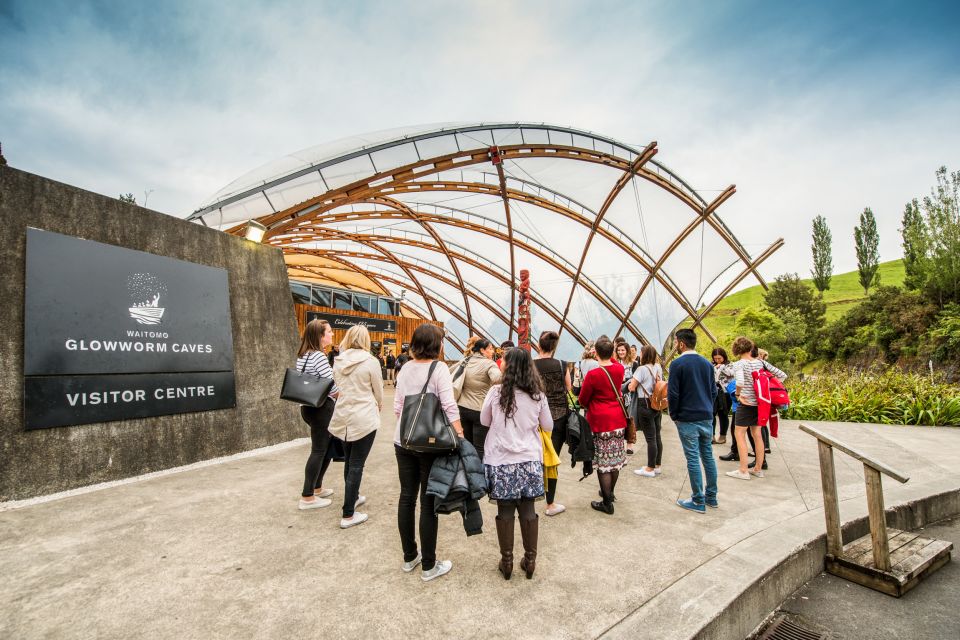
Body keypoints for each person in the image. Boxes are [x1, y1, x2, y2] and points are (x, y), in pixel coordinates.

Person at [393, 324, 464, 582]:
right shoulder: (439, 368)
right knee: (428, 502)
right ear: (436, 344)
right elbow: (449, 405)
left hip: (403, 441)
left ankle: (410, 557)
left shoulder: (405, 368)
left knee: (406, 498)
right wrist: (460, 435)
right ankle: (429, 565)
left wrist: (409, 429)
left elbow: (398, 407)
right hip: (429, 444)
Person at [482, 347, 553, 579]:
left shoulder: (495, 393)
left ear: (507, 366)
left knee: (505, 510)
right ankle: (530, 561)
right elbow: (549, 426)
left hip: (501, 460)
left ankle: (507, 562)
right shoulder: (538, 396)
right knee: (528, 509)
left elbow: (484, 420)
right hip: (529, 460)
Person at [328, 325, 383, 529]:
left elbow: (337, 386)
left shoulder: (338, 360)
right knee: (357, 464)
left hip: (343, 416)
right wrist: (379, 403)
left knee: (349, 461)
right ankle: (348, 514)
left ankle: (354, 496)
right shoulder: (371, 362)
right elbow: (378, 390)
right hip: (364, 417)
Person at [667, 328, 718, 513]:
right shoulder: (707, 364)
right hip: (706, 416)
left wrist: (673, 414)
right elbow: (714, 391)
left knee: (693, 459)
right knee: (708, 456)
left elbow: (672, 393)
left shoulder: (677, 364)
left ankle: (697, 500)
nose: (674, 346)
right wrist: (707, 407)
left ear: (681, 343)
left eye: (675, 342)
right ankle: (711, 496)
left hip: (687, 418)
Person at [577, 335, 626, 515]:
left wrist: (598, 353)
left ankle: (606, 502)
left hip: (599, 421)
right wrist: (604, 353)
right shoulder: (619, 369)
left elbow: (582, 400)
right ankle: (610, 493)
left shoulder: (593, 375)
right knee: (614, 459)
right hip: (617, 419)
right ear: (612, 352)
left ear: (595, 352)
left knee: (603, 464)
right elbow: (612, 361)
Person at [725, 337, 786, 481]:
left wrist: (739, 394)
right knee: (757, 434)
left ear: (736, 350)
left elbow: (739, 381)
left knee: (739, 434)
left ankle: (743, 470)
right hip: (761, 403)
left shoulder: (739, 364)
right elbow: (782, 375)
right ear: (750, 348)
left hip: (746, 404)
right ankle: (758, 468)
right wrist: (766, 388)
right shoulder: (761, 362)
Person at [296, 319, 340, 510]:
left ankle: (317, 487)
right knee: (319, 450)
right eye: (329, 332)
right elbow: (332, 385)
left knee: (326, 447)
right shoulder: (319, 357)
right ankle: (307, 496)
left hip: (308, 407)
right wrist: (345, 399)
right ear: (320, 336)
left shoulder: (304, 355)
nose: (332, 335)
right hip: (321, 409)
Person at [532, 330, 572, 516]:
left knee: (534, 456)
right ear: (554, 347)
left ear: (539, 346)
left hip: (535, 416)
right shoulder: (562, 365)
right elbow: (569, 388)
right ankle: (550, 503)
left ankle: (530, 496)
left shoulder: (530, 365)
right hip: (559, 416)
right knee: (552, 460)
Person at [455, 337, 502, 461]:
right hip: (479, 411)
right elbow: (497, 378)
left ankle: (466, 473)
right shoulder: (489, 364)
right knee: (480, 448)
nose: (493, 352)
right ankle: (478, 476)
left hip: (462, 409)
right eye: (490, 349)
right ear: (482, 350)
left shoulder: (465, 360)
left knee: (466, 445)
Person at [628, 345, 664, 478]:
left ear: (644, 354)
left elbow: (632, 387)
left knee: (650, 438)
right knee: (657, 435)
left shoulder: (641, 369)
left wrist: (630, 384)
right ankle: (657, 465)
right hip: (656, 403)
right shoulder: (658, 367)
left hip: (645, 404)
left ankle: (649, 469)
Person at [614, 342, 635, 455]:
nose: (621, 352)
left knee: (629, 419)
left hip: (629, 396)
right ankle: (620, 443)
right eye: (619, 350)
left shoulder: (633, 364)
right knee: (619, 420)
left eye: (623, 350)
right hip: (618, 396)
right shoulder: (615, 364)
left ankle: (630, 444)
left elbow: (635, 380)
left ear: (627, 351)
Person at [711, 348, 735, 445]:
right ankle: (711, 436)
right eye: (715, 358)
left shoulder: (730, 365)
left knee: (723, 414)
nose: (717, 360)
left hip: (726, 392)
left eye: (719, 358)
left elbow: (732, 374)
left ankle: (722, 436)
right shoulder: (711, 365)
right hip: (714, 392)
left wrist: (722, 367)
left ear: (724, 356)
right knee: (711, 413)